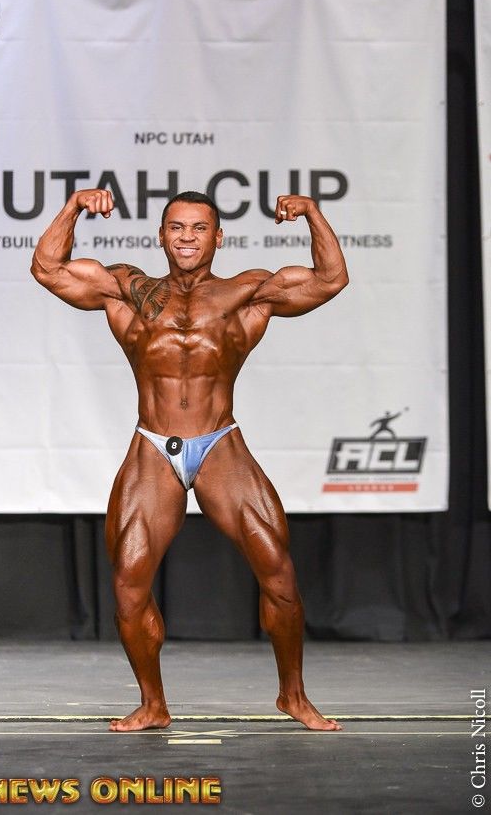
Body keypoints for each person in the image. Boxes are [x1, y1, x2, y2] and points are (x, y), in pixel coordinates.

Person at [31, 187, 349, 732]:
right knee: (129, 582)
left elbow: (330, 279)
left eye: (199, 228)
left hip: (219, 441)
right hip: (153, 444)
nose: (187, 238)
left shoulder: (245, 293)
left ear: (217, 237)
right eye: (177, 227)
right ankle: (153, 703)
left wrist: (313, 214)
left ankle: (292, 695)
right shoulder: (129, 288)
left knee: (278, 573)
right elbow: (48, 269)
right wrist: (75, 206)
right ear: (161, 235)